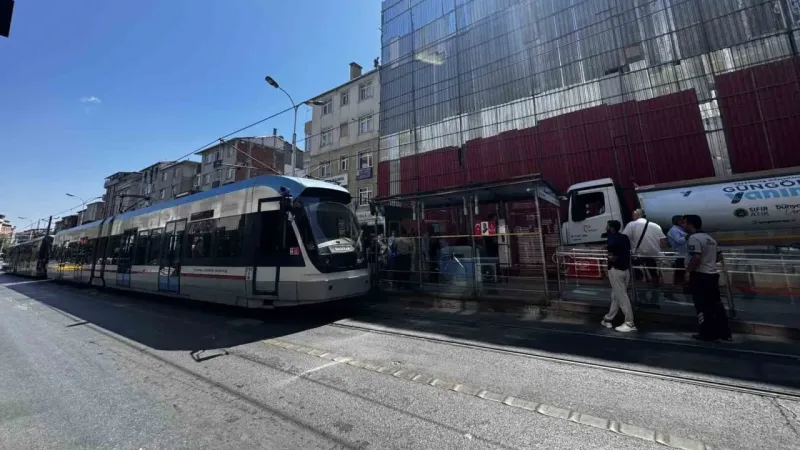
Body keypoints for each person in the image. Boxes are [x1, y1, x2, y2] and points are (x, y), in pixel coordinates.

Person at [683, 214, 732, 342]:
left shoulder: (694, 238)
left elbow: (696, 257)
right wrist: (709, 262)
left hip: (700, 275)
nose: (683, 226)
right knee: (716, 304)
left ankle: (706, 332)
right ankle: (724, 332)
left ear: (690, 224)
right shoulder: (710, 238)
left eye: (684, 223)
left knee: (701, 305)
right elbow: (719, 257)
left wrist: (688, 272)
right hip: (712, 275)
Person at [622, 208, 666, 305]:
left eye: (633, 215)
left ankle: (642, 298)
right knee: (654, 276)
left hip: (638, 256)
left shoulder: (631, 225)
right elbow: (663, 241)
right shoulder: (656, 225)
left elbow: (624, 238)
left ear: (636, 215)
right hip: (654, 256)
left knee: (639, 277)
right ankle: (655, 300)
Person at [601, 220, 636, 332]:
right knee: (616, 295)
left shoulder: (611, 238)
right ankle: (608, 318)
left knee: (622, 297)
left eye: (607, 226)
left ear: (611, 228)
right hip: (626, 270)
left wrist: (608, 254)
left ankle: (629, 323)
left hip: (615, 270)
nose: (606, 228)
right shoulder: (624, 237)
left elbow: (611, 255)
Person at [666, 215, 688, 287]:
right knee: (679, 273)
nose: (684, 222)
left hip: (684, 255)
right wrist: (688, 236)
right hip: (679, 255)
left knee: (682, 273)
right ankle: (678, 288)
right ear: (678, 221)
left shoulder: (681, 229)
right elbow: (679, 240)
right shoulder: (674, 230)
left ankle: (680, 287)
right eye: (682, 220)